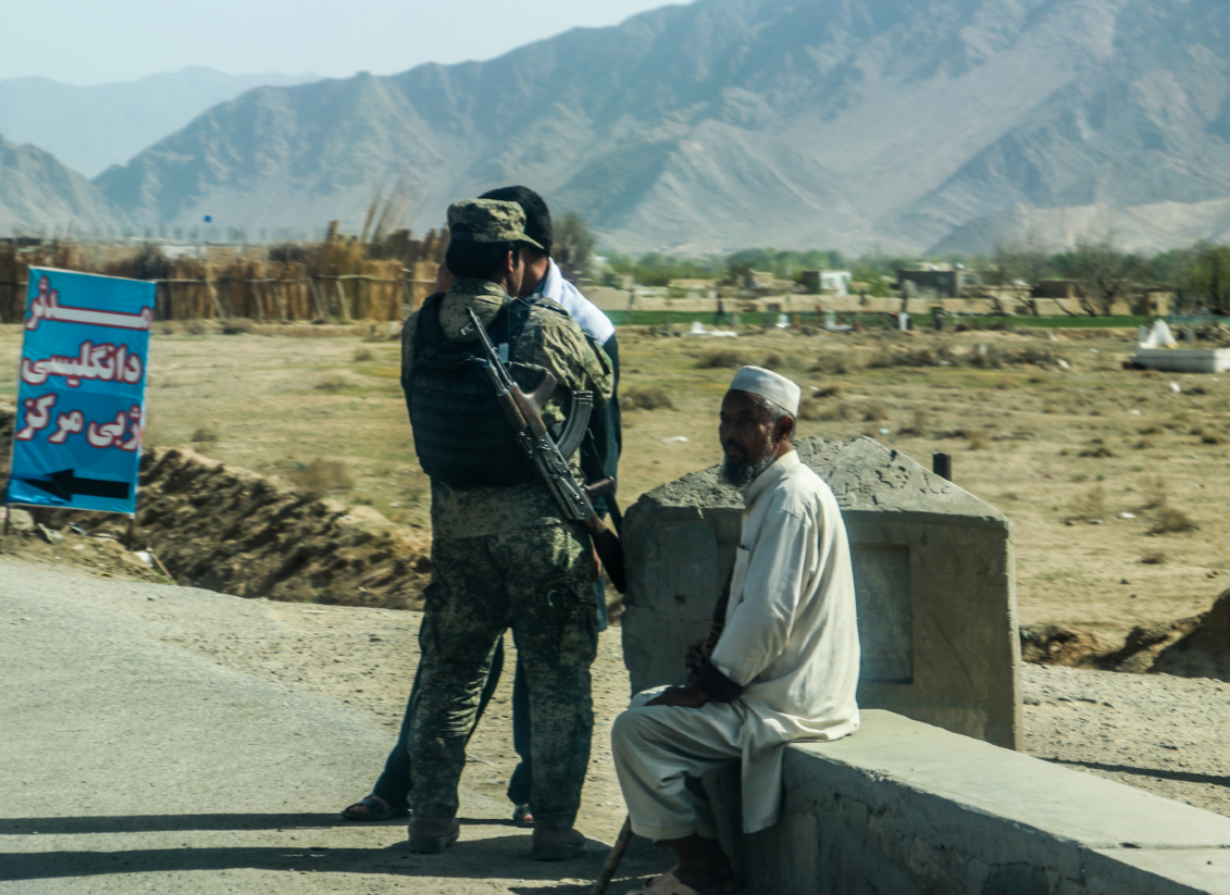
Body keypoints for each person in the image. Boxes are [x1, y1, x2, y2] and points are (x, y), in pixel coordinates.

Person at [343, 186, 621, 828]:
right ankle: (552, 827)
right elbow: (598, 388)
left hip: (457, 537)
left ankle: (430, 819)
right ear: (511, 261)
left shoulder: (419, 328)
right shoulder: (551, 326)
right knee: (558, 681)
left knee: (449, 677)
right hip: (543, 541)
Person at [610, 366, 860, 895]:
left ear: (783, 427)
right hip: (778, 689)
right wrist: (709, 661)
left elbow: (768, 615)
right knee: (647, 706)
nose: (730, 433)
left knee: (636, 729)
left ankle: (703, 871)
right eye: (725, 420)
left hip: (788, 704)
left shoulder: (791, 499)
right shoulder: (773, 491)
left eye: (747, 421)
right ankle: (695, 863)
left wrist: (709, 688)